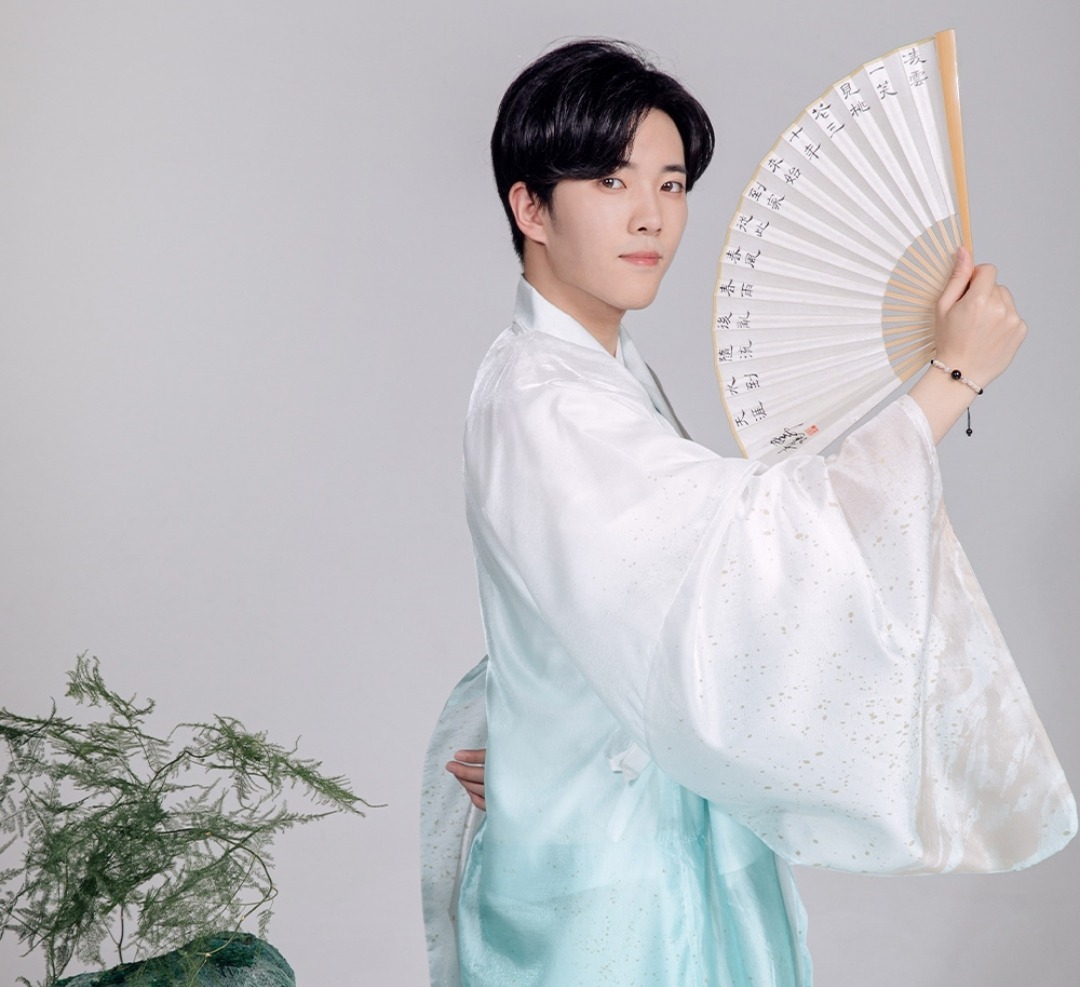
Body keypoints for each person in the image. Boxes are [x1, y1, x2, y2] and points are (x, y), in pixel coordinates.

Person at [420, 39, 1075, 987]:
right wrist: (952, 377)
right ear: (530, 207)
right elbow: (744, 552)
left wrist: (530, 728)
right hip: (609, 894)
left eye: (671, 184)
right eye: (610, 181)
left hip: (640, 847)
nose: (651, 216)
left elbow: (631, 591)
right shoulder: (547, 396)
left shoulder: (592, 372)